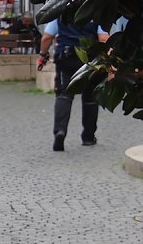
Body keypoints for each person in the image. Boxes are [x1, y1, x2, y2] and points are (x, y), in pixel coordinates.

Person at [39, 16, 108, 151]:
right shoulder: (95, 11)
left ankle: (60, 131)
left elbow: (47, 37)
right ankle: (88, 137)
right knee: (90, 97)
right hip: (90, 59)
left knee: (64, 95)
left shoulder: (60, 11)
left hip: (66, 57)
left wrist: (43, 54)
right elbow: (103, 39)